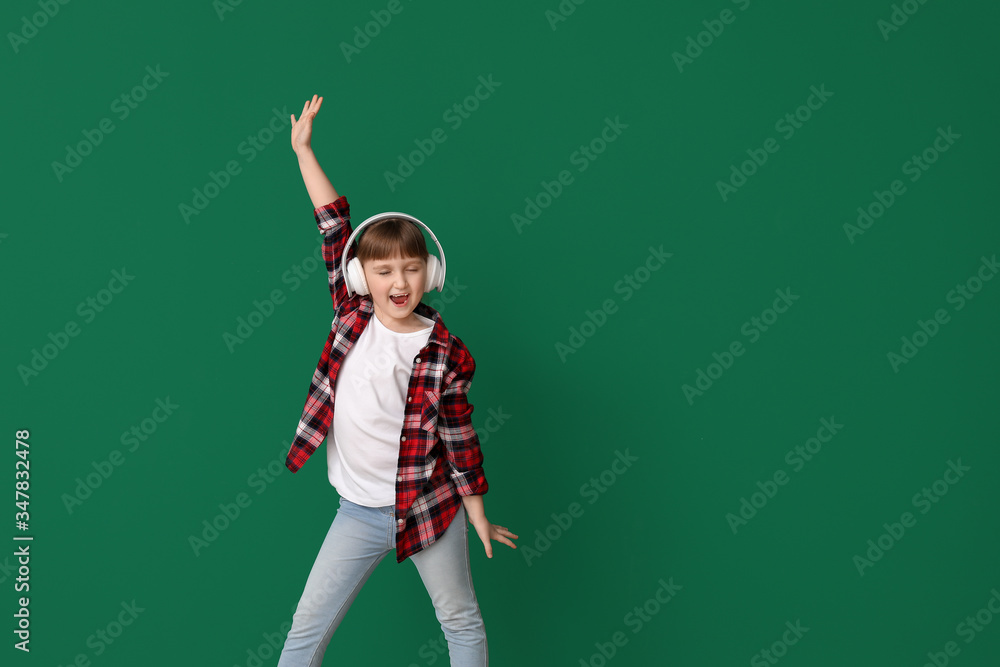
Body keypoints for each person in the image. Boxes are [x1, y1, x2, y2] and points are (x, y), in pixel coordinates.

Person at [277, 94, 518, 667]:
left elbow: (459, 437)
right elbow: (334, 224)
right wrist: (304, 151)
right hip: (357, 510)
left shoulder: (445, 352)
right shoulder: (350, 314)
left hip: (430, 506)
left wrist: (476, 509)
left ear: (429, 274)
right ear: (363, 277)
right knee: (306, 625)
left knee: (460, 619)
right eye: (384, 270)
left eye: (411, 267)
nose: (399, 280)